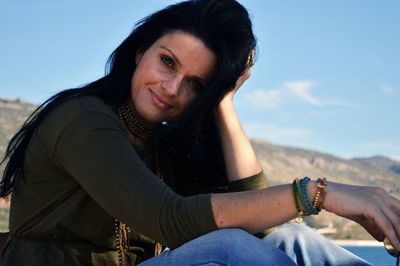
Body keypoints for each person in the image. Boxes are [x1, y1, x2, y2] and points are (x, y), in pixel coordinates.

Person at [0, 0, 399, 265]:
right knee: (230, 247)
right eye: (167, 62)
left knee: (296, 242)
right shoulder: (83, 119)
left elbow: (258, 221)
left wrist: (222, 101)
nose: (172, 88)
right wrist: (317, 194)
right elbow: (170, 220)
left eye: (195, 84)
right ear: (140, 52)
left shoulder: (168, 142)